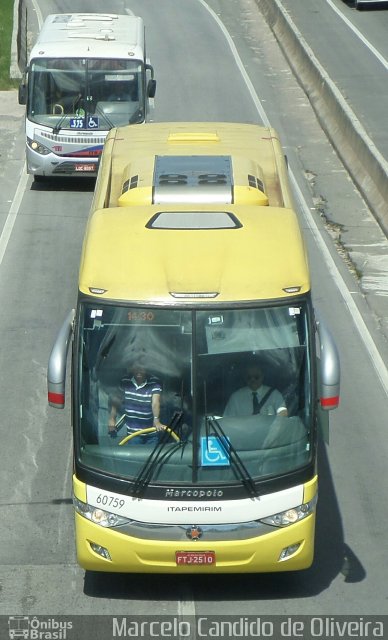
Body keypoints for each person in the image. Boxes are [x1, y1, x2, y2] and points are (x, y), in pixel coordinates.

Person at [108, 363, 167, 443]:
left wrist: (156, 420)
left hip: (152, 433)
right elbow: (116, 400)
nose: (139, 370)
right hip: (133, 434)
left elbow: (155, 403)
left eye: (142, 367)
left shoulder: (154, 382)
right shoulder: (125, 381)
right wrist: (112, 418)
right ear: (132, 368)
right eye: (136, 367)